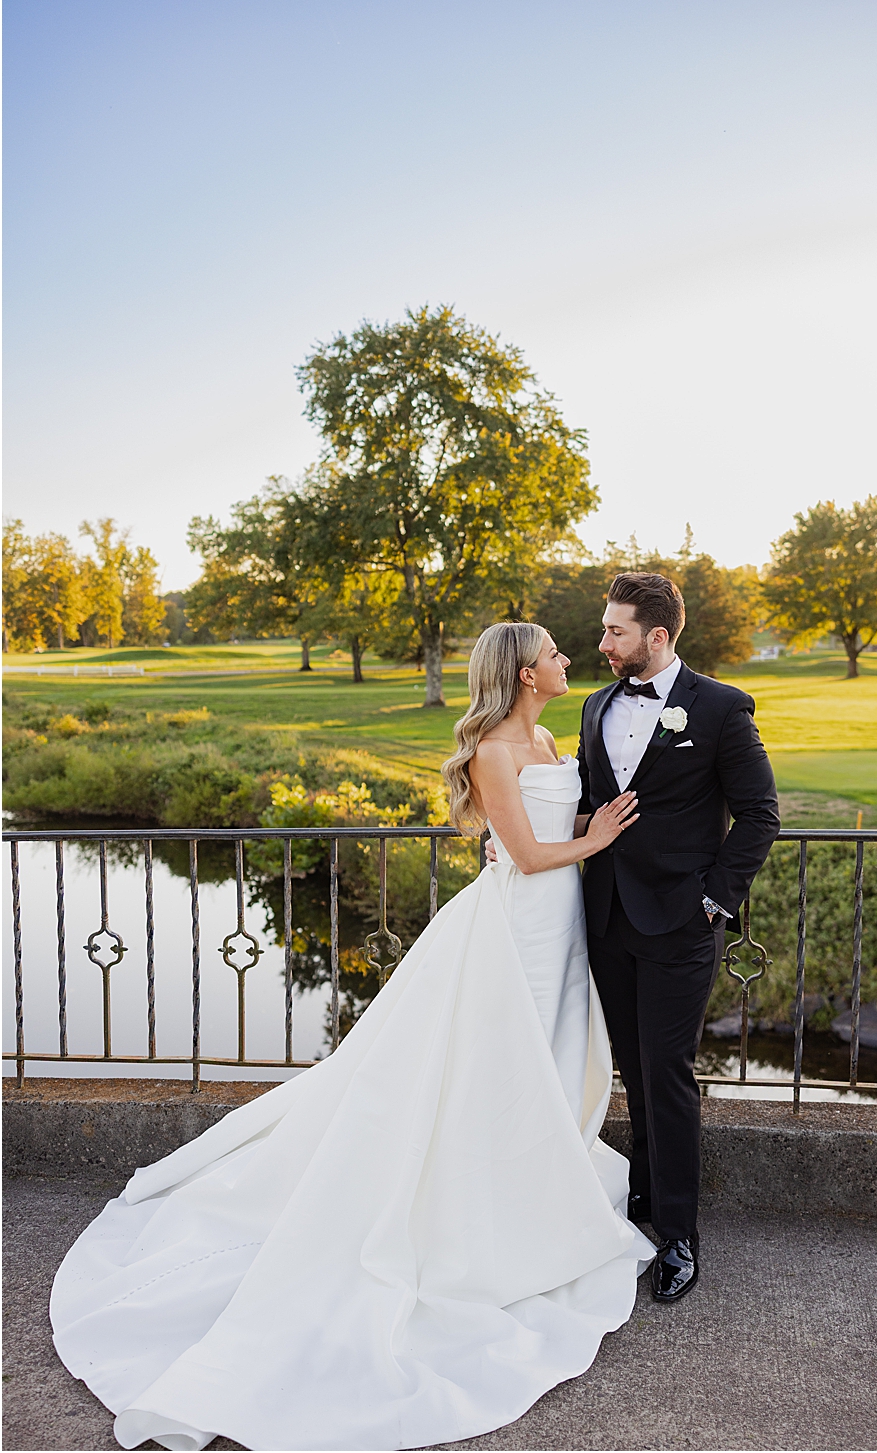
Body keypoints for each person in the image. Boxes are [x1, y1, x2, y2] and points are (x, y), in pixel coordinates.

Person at [50, 623, 656, 1451]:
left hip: (563, 928)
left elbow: (549, 820)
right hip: (515, 926)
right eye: (552, 652)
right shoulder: (488, 747)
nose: (565, 659)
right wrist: (595, 839)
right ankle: (481, 1212)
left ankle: (533, 1191)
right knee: (489, 1069)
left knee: (544, 1061)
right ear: (523, 672)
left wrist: (593, 824)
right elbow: (519, 850)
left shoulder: (549, 734)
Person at [574, 571, 780, 1305]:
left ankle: (680, 1234)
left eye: (615, 631)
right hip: (605, 918)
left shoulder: (721, 707)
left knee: (667, 1071)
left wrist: (712, 901)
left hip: (680, 923)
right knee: (633, 1067)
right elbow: (589, 808)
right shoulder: (596, 705)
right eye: (604, 630)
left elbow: (760, 814)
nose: (602, 642)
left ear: (656, 636)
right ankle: (641, 1196)